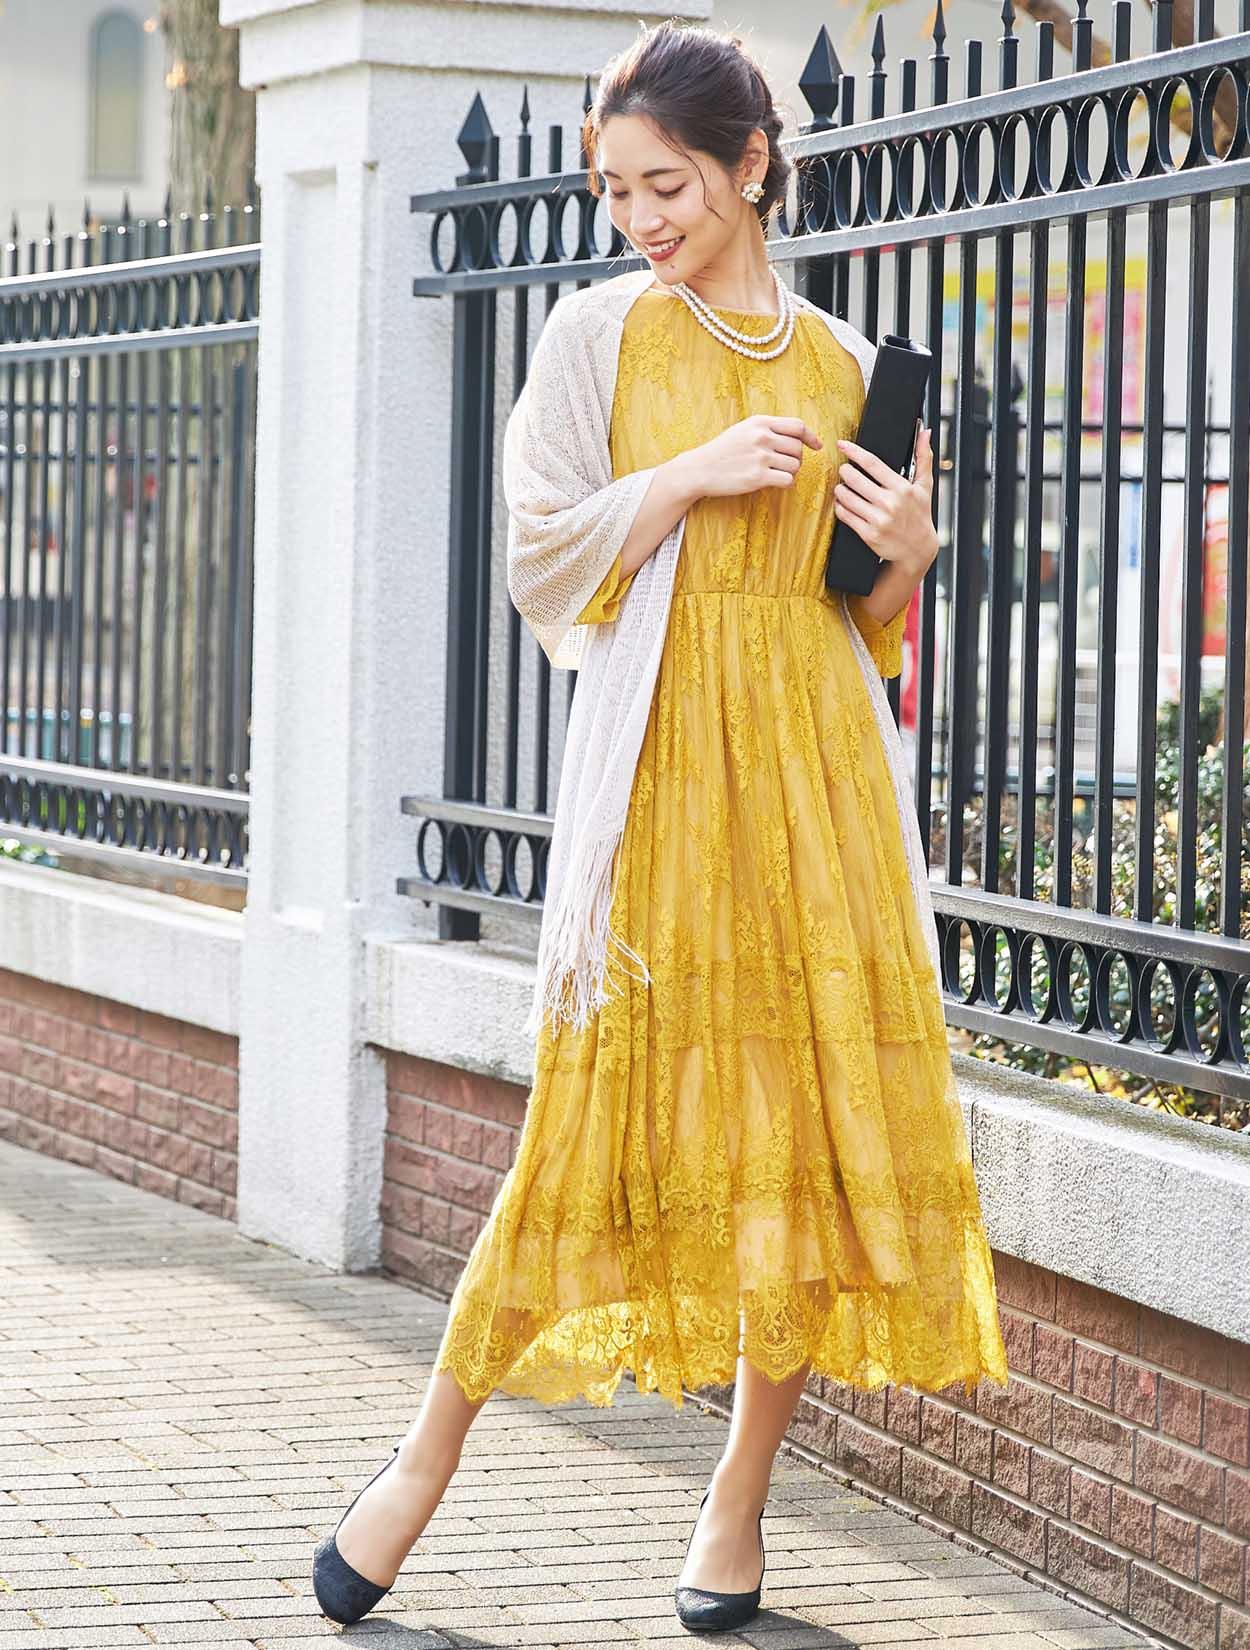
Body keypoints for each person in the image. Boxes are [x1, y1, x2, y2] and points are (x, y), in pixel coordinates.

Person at [313, 19, 1008, 1635]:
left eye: (666, 186)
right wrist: (687, 475)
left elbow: (866, 627)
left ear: (751, 166)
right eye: (616, 190)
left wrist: (911, 550)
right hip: (661, 780)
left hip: (820, 790)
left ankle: (736, 1501)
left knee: (798, 1153)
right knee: (583, 1126)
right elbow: (541, 555)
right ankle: (417, 1463)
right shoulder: (597, 336)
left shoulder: (849, 368)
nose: (639, 217)